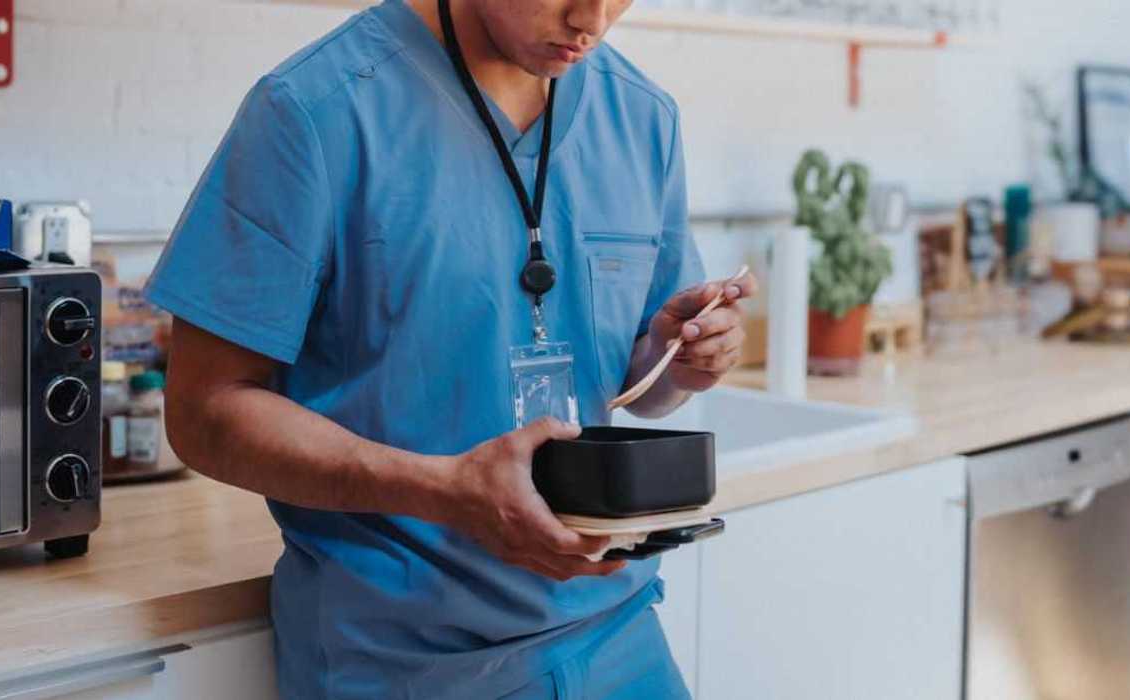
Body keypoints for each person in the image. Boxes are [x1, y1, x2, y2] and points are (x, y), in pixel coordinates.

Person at [145, 0, 757, 697]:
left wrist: (674, 359)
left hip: (618, 633)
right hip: (401, 657)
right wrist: (441, 492)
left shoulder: (643, 118)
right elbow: (204, 410)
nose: (592, 19)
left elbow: (638, 387)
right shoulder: (312, 110)